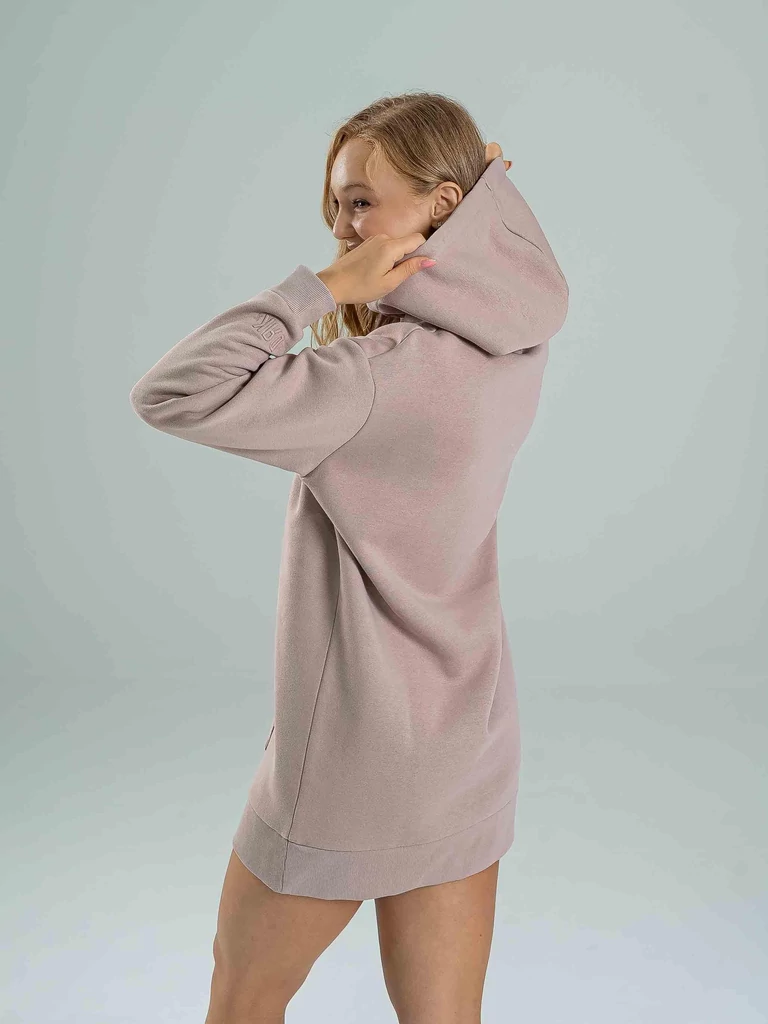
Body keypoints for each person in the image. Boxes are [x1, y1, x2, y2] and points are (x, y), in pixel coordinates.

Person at [129, 91, 569, 1024]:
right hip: (466, 736)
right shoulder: (518, 337)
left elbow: (169, 394)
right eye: (334, 204)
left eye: (361, 202)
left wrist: (321, 289)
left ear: (441, 206)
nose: (341, 226)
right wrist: (479, 194)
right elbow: (509, 238)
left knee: (241, 1001)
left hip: (350, 755)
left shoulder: (372, 380)